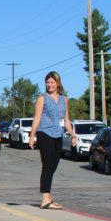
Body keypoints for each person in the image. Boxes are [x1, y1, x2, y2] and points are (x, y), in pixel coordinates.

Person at [28, 71, 77, 209]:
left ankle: (47, 197)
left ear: (58, 83)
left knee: (53, 166)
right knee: (47, 166)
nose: (50, 85)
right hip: (45, 133)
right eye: (47, 82)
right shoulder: (42, 99)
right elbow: (37, 118)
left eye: (52, 82)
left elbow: (66, 121)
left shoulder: (64, 99)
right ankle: (45, 198)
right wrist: (32, 136)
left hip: (58, 135)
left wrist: (73, 136)